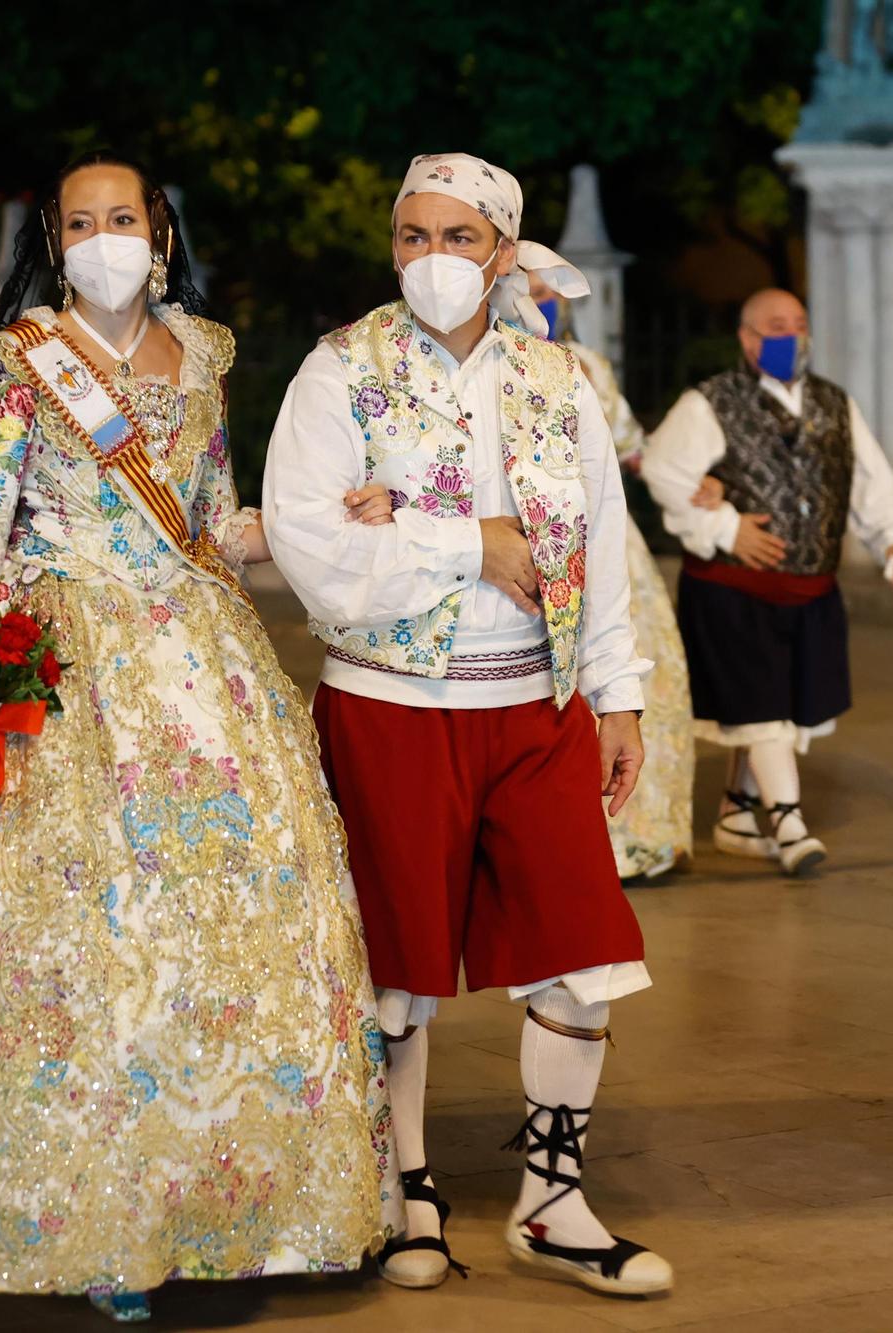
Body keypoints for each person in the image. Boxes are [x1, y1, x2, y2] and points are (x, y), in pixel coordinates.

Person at [0, 155, 403, 1322]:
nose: (105, 237)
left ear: (160, 233)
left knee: (238, 923)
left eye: (123, 218)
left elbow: (211, 523)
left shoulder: (203, 353)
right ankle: (84, 1216)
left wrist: (315, 521)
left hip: (202, 654)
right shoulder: (22, 358)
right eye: (81, 221)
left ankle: (230, 1204)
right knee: (60, 938)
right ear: (54, 238)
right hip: (57, 653)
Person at [263, 152, 672, 1298]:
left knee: (582, 954)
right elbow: (314, 550)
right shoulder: (338, 372)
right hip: (388, 707)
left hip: (533, 709)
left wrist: (618, 690)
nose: (431, 261)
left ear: (502, 253)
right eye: (411, 237)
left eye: (456, 238)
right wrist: (468, 544)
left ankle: (552, 1200)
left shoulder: (558, 378)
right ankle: (409, 1189)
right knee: (398, 972)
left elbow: (595, 544)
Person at [640, 288, 893, 877]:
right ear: (747, 339)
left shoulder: (833, 403)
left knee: (786, 709)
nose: (790, 337)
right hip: (733, 590)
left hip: (810, 592)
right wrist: (722, 527)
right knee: (762, 706)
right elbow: (665, 469)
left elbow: (870, 481)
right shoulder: (709, 402)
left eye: (798, 325)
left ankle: (739, 815)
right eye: (775, 327)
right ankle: (789, 824)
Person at [528, 271, 694, 881]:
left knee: (630, 665)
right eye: (532, 290)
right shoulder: (489, 360)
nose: (542, 302)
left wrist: (690, 481)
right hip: (531, 533)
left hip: (602, 532)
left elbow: (630, 447)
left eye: (551, 293)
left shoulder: (588, 364)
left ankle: (636, 837)